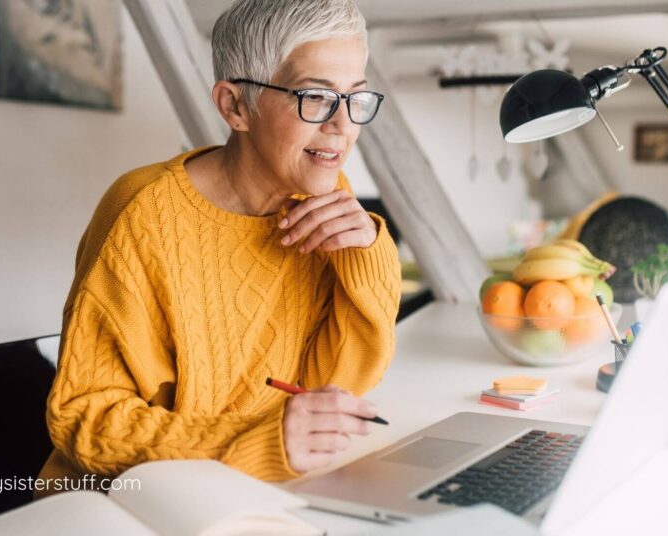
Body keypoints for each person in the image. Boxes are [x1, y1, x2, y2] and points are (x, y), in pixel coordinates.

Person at [37, 0, 401, 494]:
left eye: (356, 98)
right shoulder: (141, 213)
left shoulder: (322, 196)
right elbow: (86, 419)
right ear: (234, 106)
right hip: (123, 502)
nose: (343, 126)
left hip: (250, 489)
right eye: (315, 97)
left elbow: (338, 382)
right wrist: (253, 441)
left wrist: (367, 253)